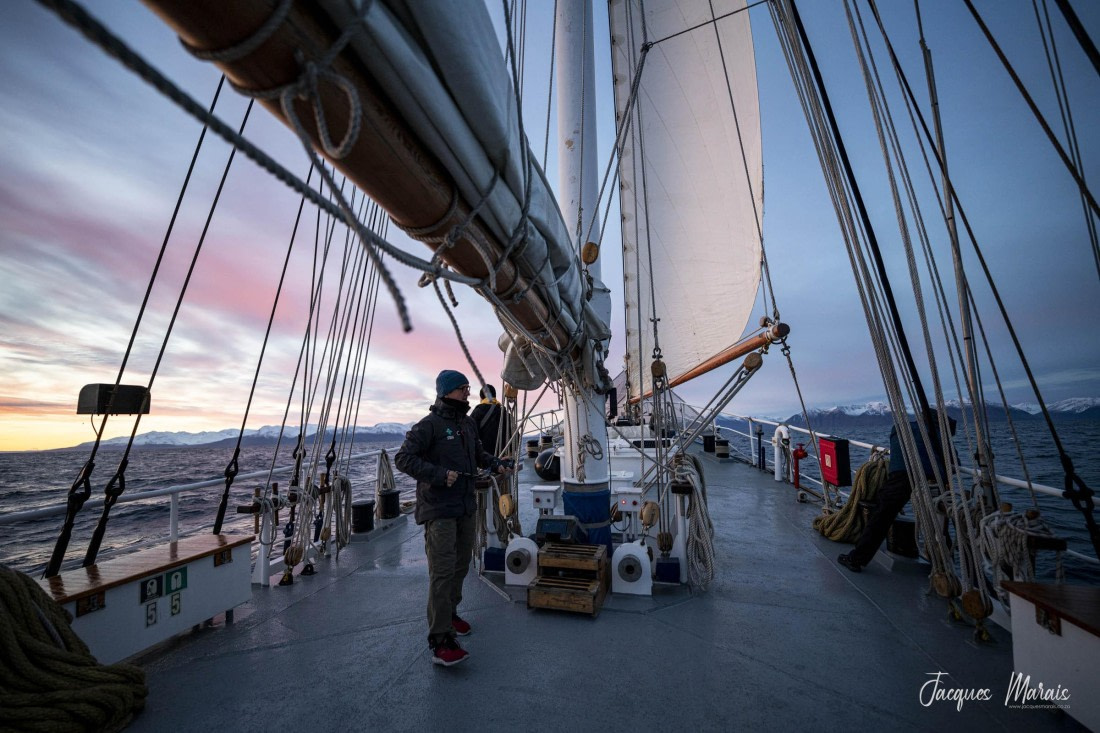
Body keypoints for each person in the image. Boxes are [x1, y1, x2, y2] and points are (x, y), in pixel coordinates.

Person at [394, 369, 513, 666]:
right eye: (462, 388)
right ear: (446, 391)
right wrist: (438, 475)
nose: (467, 393)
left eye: (468, 388)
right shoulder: (429, 426)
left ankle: (450, 614)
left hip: (464, 507)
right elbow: (403, 458)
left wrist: (496, 463)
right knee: (443, 572)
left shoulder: (467, 423)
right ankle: (440, 639)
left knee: (461, 566)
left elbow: (479, 454)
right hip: (439, 510)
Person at [838, 412, 957, 573]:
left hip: (901, 475)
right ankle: (946, 567)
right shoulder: (939, 435)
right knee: (940, 521)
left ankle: (856, 559)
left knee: (882, 516)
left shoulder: (902, 428)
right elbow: (953, 462)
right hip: (934, 478)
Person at [470, 385, 511, 457]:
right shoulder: (504, 412)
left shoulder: (477, 412)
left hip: (484, 458)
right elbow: (515, 437)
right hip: (502, 458)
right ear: (494, 396)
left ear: (481, 398)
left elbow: (469, 436)